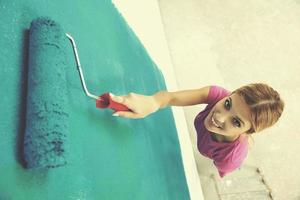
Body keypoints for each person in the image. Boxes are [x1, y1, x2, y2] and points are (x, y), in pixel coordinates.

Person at [110, 83, 284, 177]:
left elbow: (221, 168)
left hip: (228, 158)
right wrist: (153, 102)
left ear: (247, 131)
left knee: (220, 171)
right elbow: (169, 97)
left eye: (237, 122)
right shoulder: (217, 94)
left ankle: (248, 144)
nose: (220, 117)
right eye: (228, 104)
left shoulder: (229, 158)